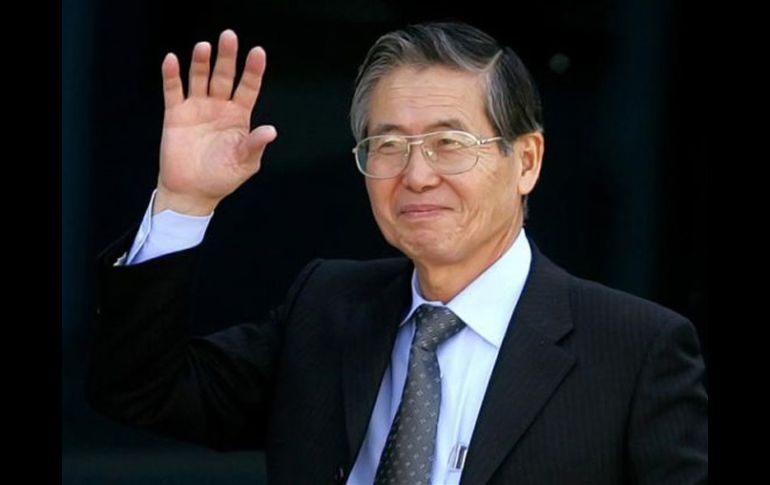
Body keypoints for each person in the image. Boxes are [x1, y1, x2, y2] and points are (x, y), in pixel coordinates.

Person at [85, 21, 708, 484]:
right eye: (387, 146)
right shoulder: (326, 309)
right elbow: (139, 390)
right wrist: (184, 201)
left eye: (449, 143)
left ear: (526, 161)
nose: (416, 176)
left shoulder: (635, 351)